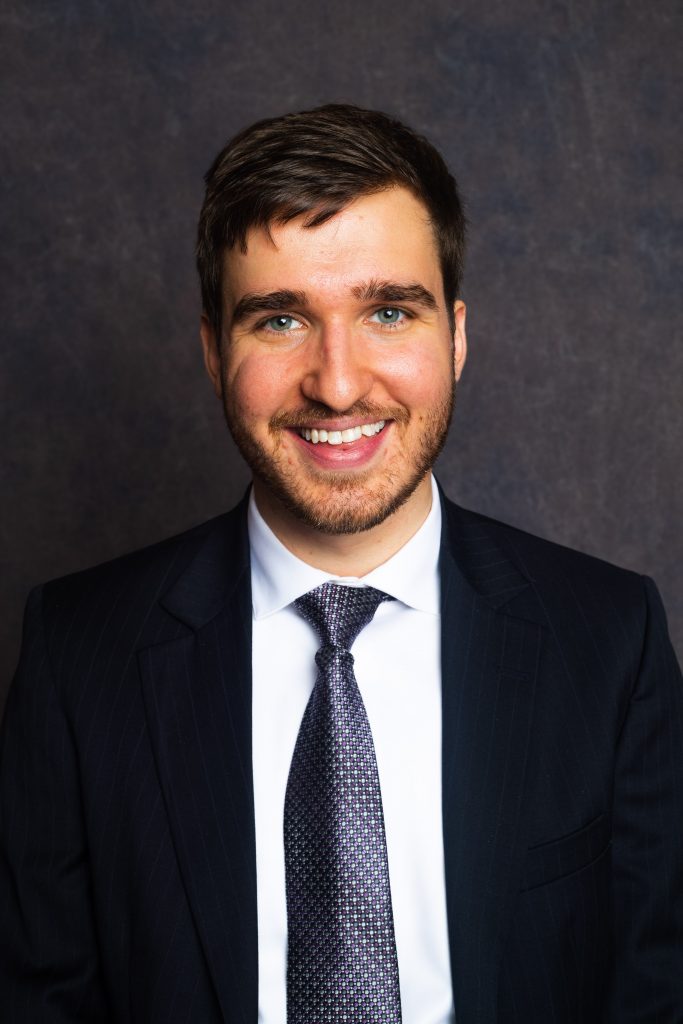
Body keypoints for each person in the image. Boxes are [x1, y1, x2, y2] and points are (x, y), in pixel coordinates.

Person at [0, 104, 681, 1024]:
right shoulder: (77, 654)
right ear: (213, 353)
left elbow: (655, 987)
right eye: (280, 320)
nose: (338, 383)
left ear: (455, 337)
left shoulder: (608, 637)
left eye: (388, 312)